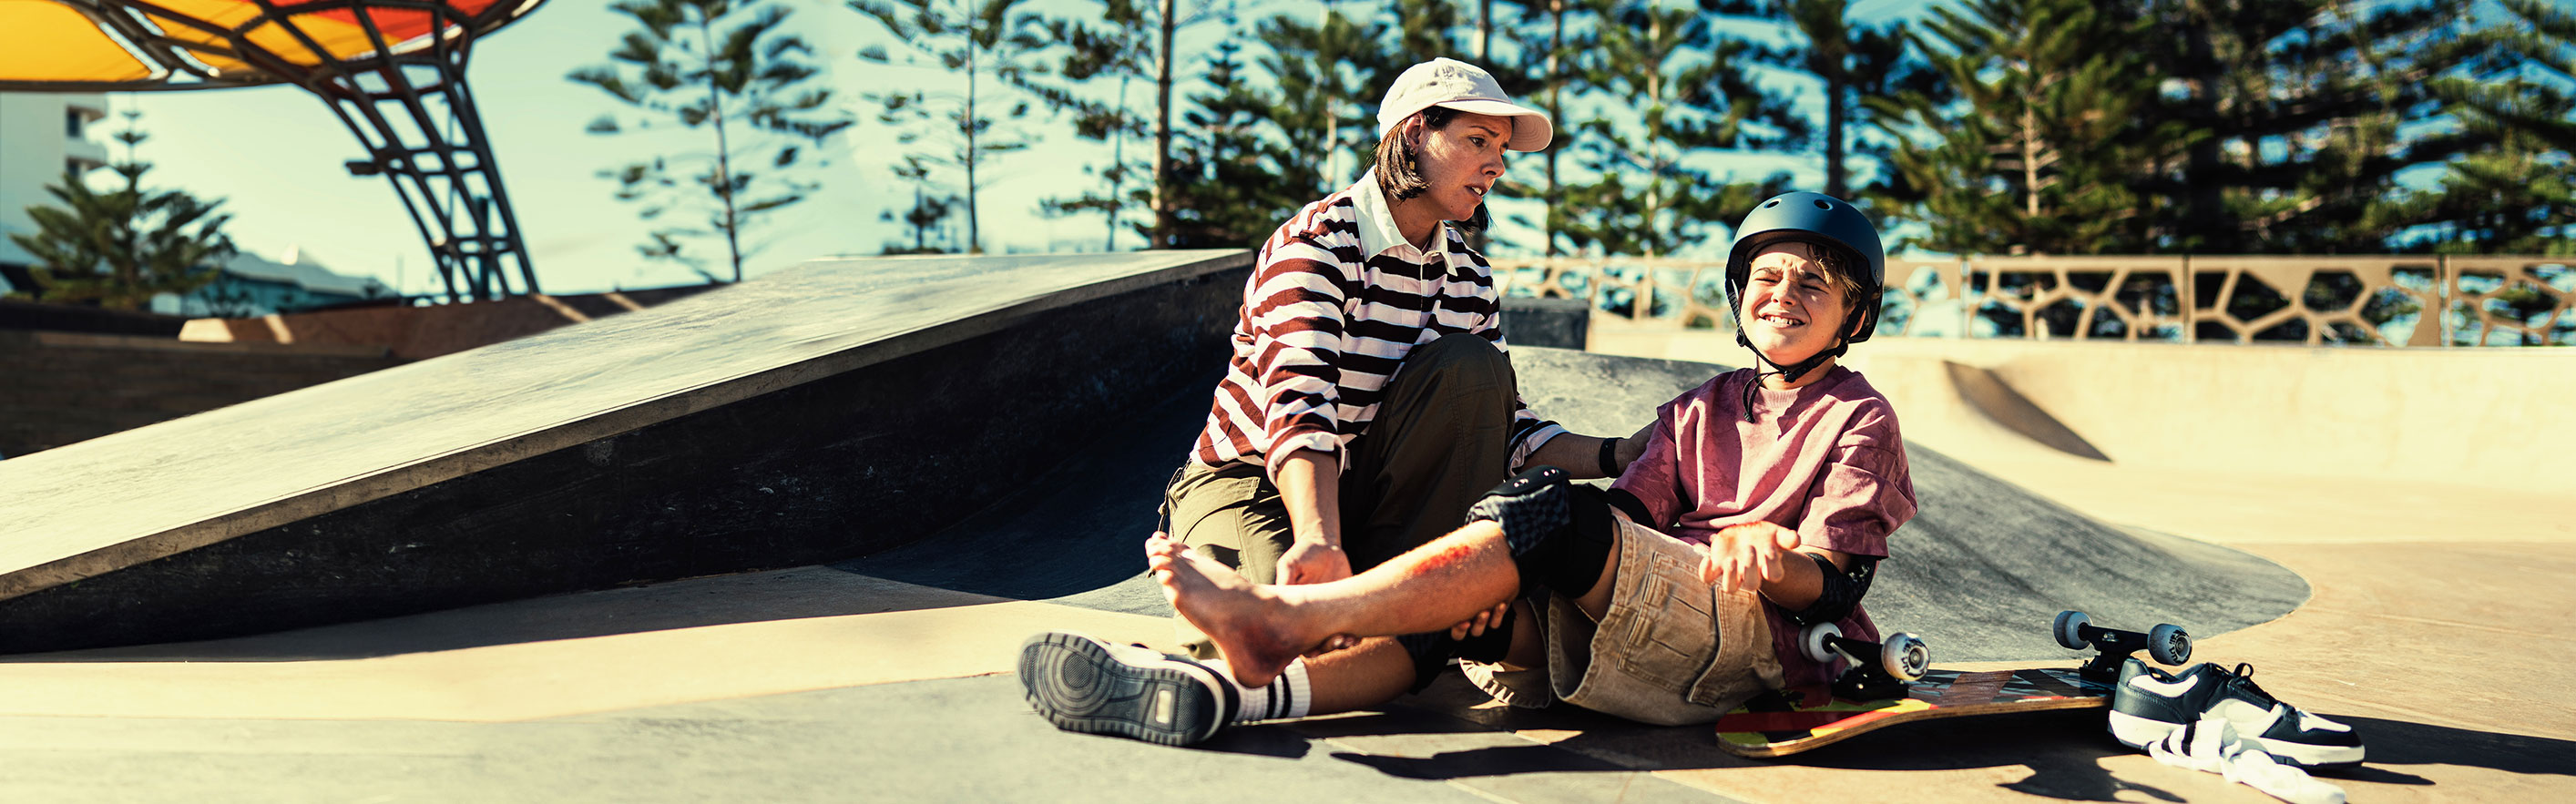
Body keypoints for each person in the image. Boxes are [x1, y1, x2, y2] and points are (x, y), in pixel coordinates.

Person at [1019, 193, 1919, 744]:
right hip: (1655, 627)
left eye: (1812, 284)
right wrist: (1502, 570)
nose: (1783, 297)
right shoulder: (1694, 409)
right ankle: (1229, 695)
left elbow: (1834, 588)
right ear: (1736, 295)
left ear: (1851, 315)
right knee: (1453, 619)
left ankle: (1281, 616)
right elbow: (1627, 523)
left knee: (1547, 513)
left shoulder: (1857, 416)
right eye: (1766, 278)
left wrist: (1775, 558)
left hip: (1757, 644)